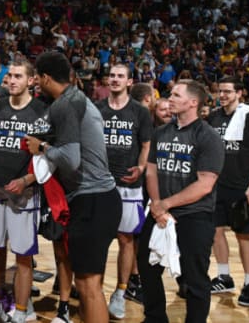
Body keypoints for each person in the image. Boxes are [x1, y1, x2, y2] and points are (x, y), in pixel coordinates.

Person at [26, 51, 121, 323]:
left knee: (89, 287)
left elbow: (70, 160)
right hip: (100, 199)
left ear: (44, 78)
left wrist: (42, 147)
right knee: (90, 285)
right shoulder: (78, 99)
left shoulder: (65, 105)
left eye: (36, 77)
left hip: (91, 201)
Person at [138, 79, 224, 323]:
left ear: (193, 102)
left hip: (194, 215)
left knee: (195, 279)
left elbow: (205, 184)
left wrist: (166, 204)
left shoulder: (208, 137)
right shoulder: (161, 132)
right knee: (147, 268)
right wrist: (157, 204)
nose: (170, 98)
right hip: (159, 213)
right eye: (171, 94)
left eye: (176, 95)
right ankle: (155, 318)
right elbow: (152, 171)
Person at [0, 59, 45, 323]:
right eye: (10, 76)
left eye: (18, 76)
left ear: (31, 81)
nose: (12, 80)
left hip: (24, 192)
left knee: (23, 256)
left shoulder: (41, 111)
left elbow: (50, 157)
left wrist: (27, 180)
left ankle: (22, 310)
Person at [95, 64, 153, 319]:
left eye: (121, 76)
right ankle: (94, 288)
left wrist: (141, 167)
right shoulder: (97, 109)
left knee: (126, 238)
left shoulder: (140, 112)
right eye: (112, 76)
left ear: (130, 82)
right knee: (98, 239)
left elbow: (146, 145)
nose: (115, 79)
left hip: (129, 183)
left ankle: (120, 290)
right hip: (100, 183)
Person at [207, 76, 249, 306]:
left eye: (228, 91)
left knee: (245, 235)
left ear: (240, 93)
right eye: (220, 91)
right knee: (215, 232)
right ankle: (224, 276)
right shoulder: (213, 117)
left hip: (244, 186)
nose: (223, 95)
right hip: (217, 185)